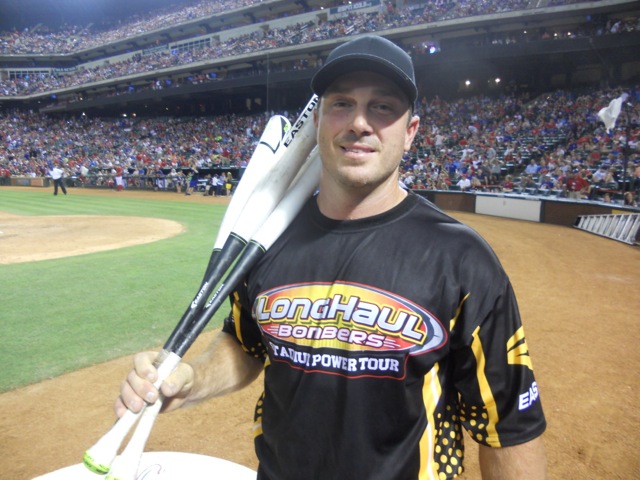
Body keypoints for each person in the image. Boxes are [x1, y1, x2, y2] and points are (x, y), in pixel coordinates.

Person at [116, 35, 547, 479]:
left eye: (382, 107)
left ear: (410, 131)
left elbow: (509, 427)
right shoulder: (268, 239)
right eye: (342, 103)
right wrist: (192, 380)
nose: (359, 122)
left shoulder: (460, 257)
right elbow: (246, 345)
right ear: (318, 119)